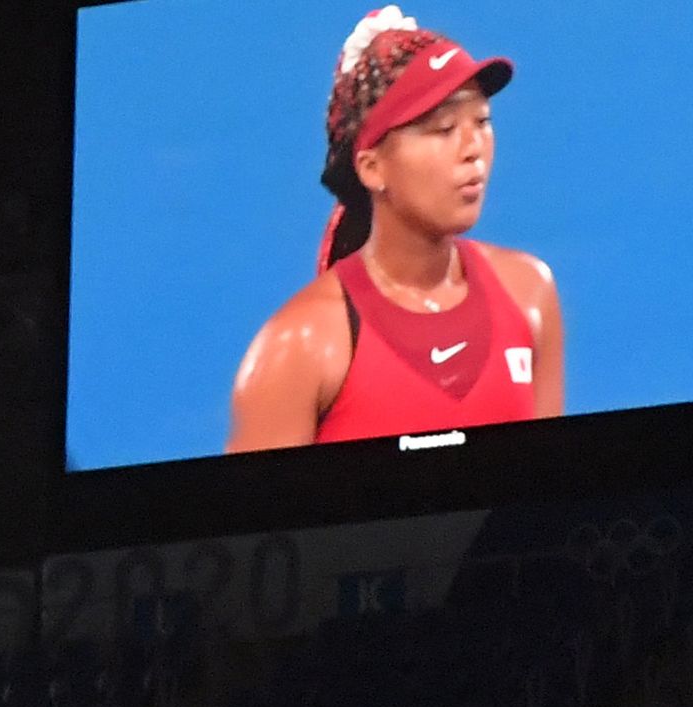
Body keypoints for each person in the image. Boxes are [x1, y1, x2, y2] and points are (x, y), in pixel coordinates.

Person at [226, 7, 565, 453]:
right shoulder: (301, 347)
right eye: (444, 128)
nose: (473, 150)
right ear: (371, 167)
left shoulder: (529, 293)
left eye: (482, 122)